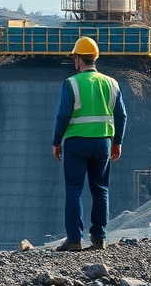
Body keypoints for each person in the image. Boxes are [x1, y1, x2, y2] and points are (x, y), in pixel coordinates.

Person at [51, 36, 127, 251]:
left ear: (77, 59)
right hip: (103, 142)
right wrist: (117, 142)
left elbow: (63, 115)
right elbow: (121, 115)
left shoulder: (72, 83)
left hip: (76, 143)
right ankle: (99, 238)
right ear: (95, 58)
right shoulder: (112, 83)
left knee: (74, 189)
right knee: (100, 189)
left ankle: (74, 239)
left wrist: (57, 142)